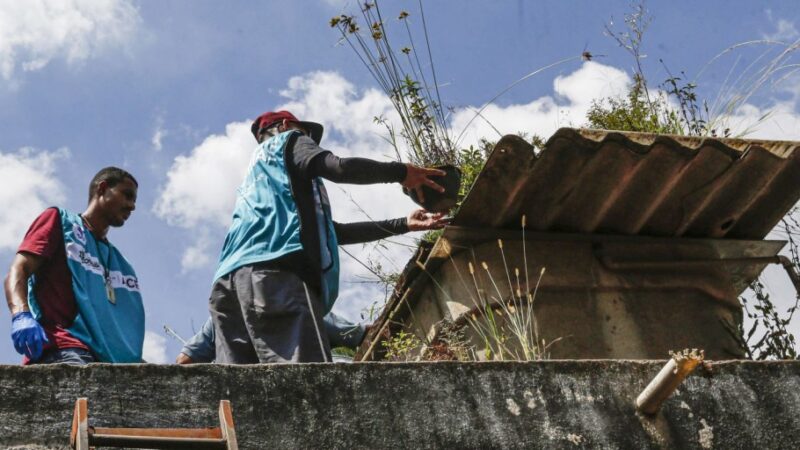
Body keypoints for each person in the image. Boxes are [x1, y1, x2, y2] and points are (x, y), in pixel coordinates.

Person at [210, 110, 449, 364]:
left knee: (240, 393)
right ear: (285, 125)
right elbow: (339, 167)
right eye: (305, 133)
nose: (309, 141)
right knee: (308, 384)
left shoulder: (258, 179)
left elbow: (333, 233)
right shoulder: (288, 140)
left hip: (226, 289)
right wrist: (402, 173)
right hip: (273, 278)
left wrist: (403, 224)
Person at [4, 167, 143, 365]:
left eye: (134, 200)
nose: (132, 206)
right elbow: (19, 269)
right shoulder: (60, 221)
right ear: (103, 188)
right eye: (127, 195)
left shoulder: (122, 264)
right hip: (65, 347)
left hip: (108, 361)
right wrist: (21, 315)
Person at [176, 312, 365, 364]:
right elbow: (355, 335)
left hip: (236, 404)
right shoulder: (291, 295)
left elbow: (185, 360)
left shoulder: (222, 315)